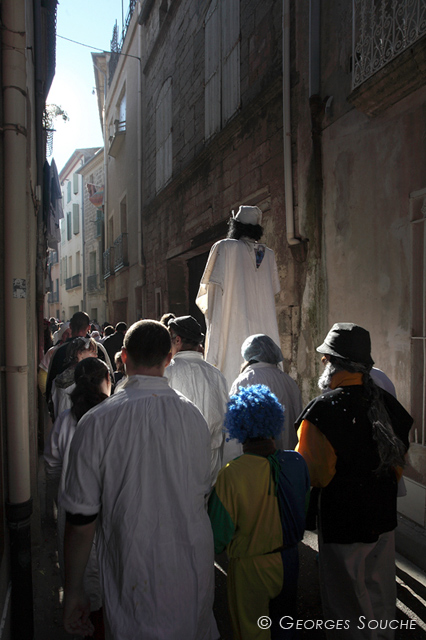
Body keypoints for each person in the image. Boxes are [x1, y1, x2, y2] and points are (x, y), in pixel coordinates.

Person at [60, 320, 218, 640]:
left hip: (133, 572)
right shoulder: (194, 418)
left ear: (122, 357)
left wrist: (73, 590)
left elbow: (81, 518)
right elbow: (202, 491)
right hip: (190, 570)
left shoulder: (96, 422)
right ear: (169, 359)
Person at [295, 323, 413, 639]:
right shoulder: (388, 406)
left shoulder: (322, 411)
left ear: (331, 362)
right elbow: (397, 461)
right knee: (381, 598)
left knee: (346, 606)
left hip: (343, 522)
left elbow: (314, 473)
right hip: (382, 518)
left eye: (324, 358)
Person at [208, 385, 309, 640]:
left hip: (251, 569)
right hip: (289, 561)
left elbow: (217, 536)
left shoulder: (231, 474)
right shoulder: (296, 463)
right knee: (285, 629)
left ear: (238, 426)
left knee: (253, 632)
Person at [44, 357, 112, 639]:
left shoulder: (65, 420)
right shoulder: (111, 418)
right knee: (106, 585)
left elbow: (52, 465)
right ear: (106, 382)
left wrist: (61, 493)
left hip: (73, 514)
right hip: (107, 512)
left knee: (79, 581)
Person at [196, 205, 281, 387]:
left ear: (236, 226)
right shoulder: (269, 255)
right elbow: (272, 291)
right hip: (264, 334)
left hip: (232, 329)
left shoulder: (224, 247)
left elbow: (211, 295)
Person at [165, 315, 228, 484]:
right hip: (211, 459)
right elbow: (225, 417)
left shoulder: (166, 373)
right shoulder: (217, 375)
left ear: (177, 340)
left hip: (177, 459)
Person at [224, 334, 302, 465]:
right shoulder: (288, 381)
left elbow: (234, 426)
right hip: (287, 462)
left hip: (255, 465)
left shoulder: (244, 381)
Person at [51, 337, 98, 419]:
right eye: (92, 352)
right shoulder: (81, 380)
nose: (96, 356)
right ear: (79, 354)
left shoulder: (58, 378)